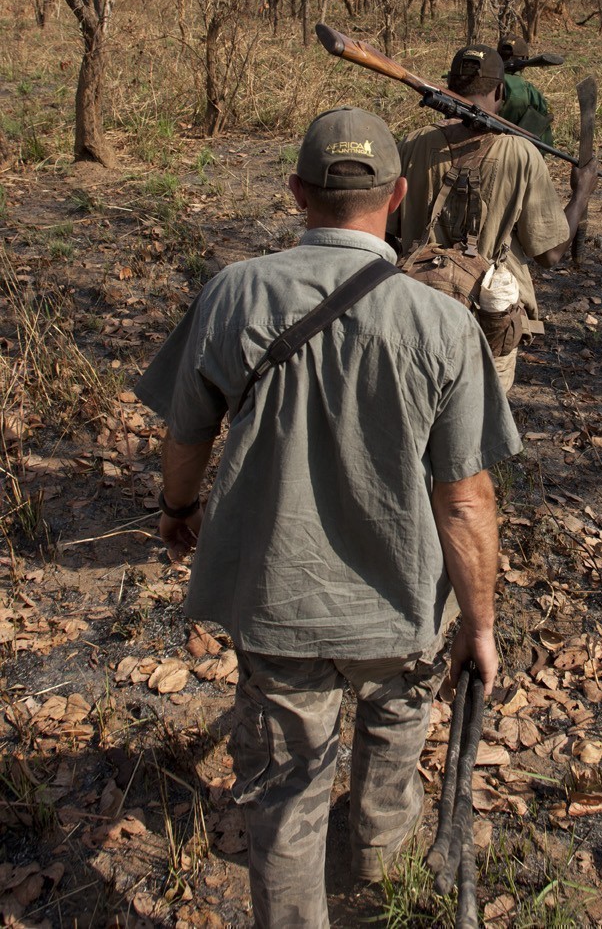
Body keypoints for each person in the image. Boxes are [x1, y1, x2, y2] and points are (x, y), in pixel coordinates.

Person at [135, 106, 521, 929]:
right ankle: (381, 887)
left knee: (285, 790)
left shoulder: (234, 292)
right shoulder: (444, 323)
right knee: (392, 745)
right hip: (404, 611)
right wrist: (478, 624)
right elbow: (464, 498)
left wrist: (179, 508)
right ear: (398, 195)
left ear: (296, 193)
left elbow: (185, 434)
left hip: (280, 604)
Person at [391, 45, 598, 392]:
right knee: (475, 436)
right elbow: (549, 254)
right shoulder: (521, 154)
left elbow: (386, 234)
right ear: (501, 90)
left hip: (417, 319)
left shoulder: (412, 144)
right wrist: (580, 196)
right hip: (489, 326)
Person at [497, 34, 557, 146]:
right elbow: (543, 144)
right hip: (516, 154)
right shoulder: (533, 94)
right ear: (525, 60)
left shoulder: (480, 81)